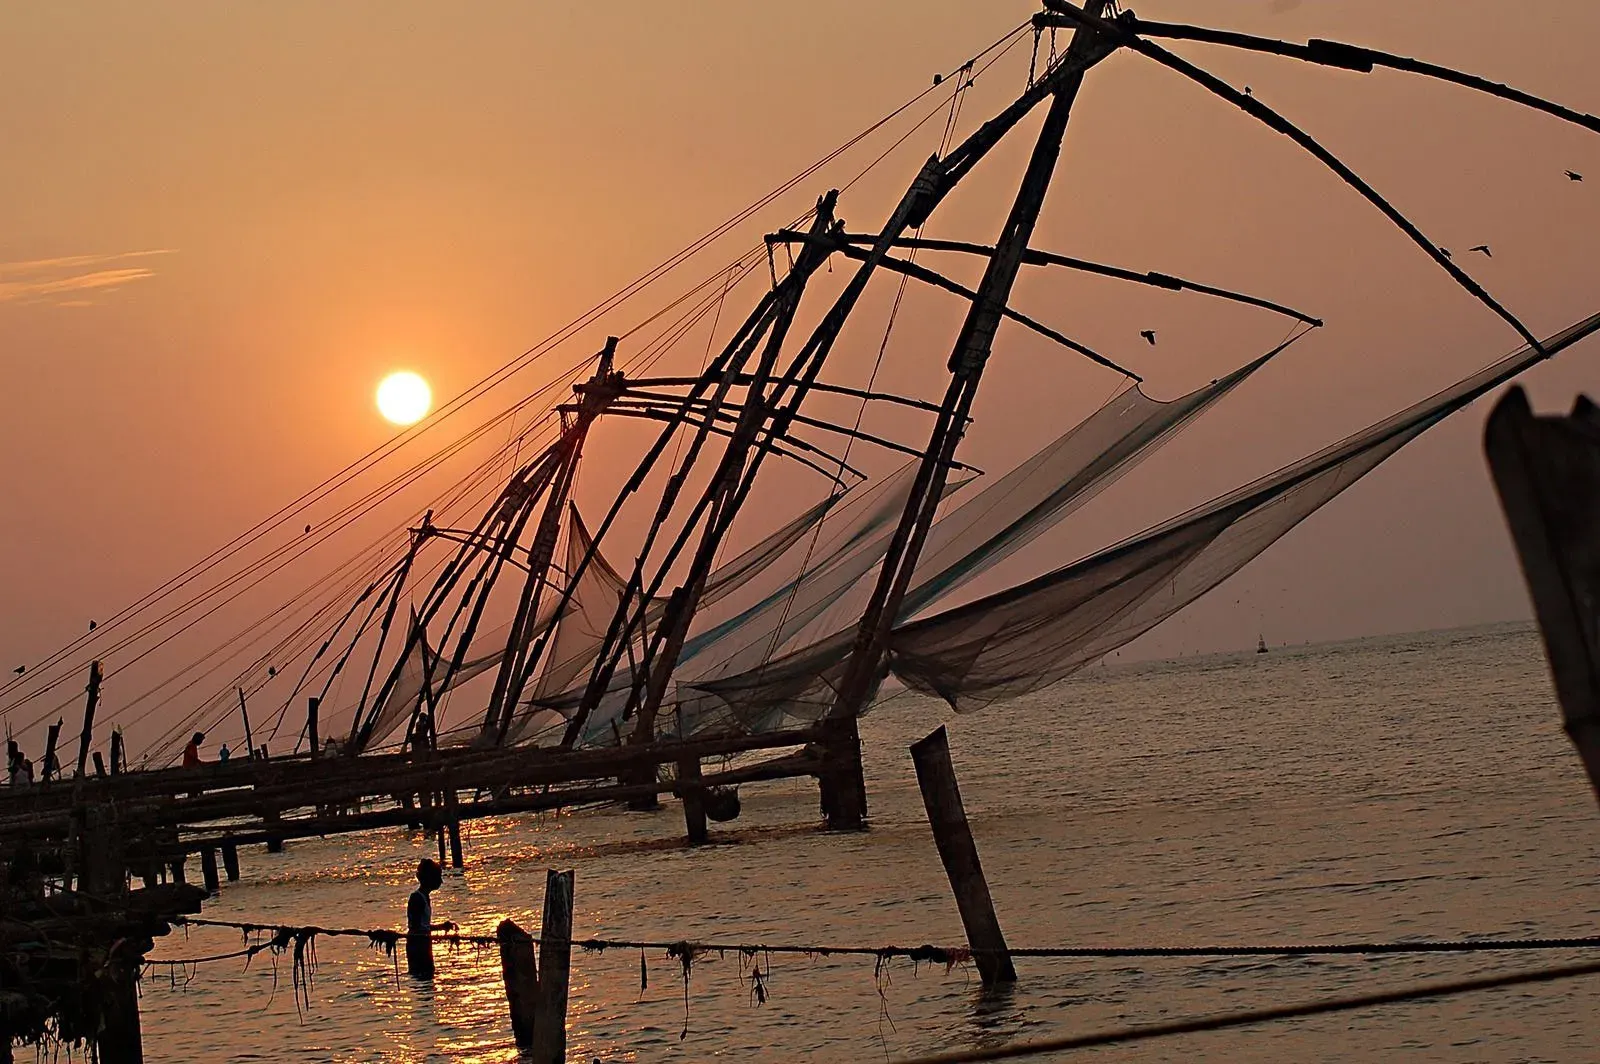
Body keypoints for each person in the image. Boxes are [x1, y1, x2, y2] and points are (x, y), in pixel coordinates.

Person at [406, 858, 455, 979]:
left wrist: (441, 927)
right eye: (438, 877)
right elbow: (416, 928)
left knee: (428, 976)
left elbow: (423, 927)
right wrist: (438, 929)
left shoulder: (425, 897)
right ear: (429, 879)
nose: (440, 881)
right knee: (422, 975)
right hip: (417, 946)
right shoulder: (417, 898)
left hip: (424, 943)